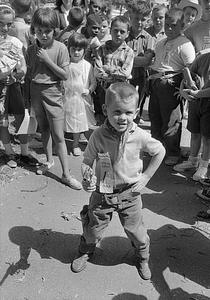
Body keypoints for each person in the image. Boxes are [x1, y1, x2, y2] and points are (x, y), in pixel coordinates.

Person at [70, 82, 166, 280]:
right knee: (93, 231)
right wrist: (87, 176)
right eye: (117, 112)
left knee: (137, 233)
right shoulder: (97, 135)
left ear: (136, 112)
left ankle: (142, 257)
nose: (123, 118)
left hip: (130, 193)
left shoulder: (139, 135)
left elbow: (160, 151)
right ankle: (85, 250)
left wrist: (146, 177)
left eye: (128, 112)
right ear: (105, 110)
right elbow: (87, 160)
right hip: (102, 193)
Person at [25, 8, 82, 190]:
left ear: (55, 30)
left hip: (53, 93)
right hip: (35, 92)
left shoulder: (61, 48)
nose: (43, 35)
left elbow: (65, 75)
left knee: (58, 135)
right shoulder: (32, 49)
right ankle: (49, 161)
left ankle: (66, 174)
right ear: (34, 29)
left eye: (47, 31)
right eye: (39, 30)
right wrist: (28, 100)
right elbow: (29, 75)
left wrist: (47, 61)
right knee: (44, 129)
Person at [148, 8, 195, 166]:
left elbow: (191, 69)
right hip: (155, 84)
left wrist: (183, 87)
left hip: (171, 85)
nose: (168, 28)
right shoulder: (161, 42)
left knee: (171, 121)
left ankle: (172, 153)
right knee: (155, 118)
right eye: (166, 24)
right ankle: (157, 150)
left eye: (173, 25)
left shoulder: (185, 44)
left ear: (182, 25)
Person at [0, 4, 39, 168]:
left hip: (15, 88)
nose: (5, 27)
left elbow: (23, 67)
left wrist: (15, 77)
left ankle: (24, 152)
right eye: (1, 23)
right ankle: (9, 152)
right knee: (2, 121)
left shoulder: (15, 42)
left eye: (9, 24)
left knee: (22, 118)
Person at [173, 50, 210, 181]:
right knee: (195, 132)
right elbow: (188, 74)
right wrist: (183, 90)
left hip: (207, 102)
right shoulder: (202, 58)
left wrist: (197, 94)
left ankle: (204, 165)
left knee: (207, 137)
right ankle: (193, 160)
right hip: (195, 102)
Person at [94, 15, 134, 125]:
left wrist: (107, 69)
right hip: (103, 90)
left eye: (122, 31)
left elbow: (125, 73)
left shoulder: (128, 52)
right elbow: (97, 72)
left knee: (118, 119)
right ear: (110, 31)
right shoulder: (101, 49)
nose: (118, 34)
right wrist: (115, 72)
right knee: (103, 119)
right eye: (115, 30)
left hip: (120, 93)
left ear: (127, 34)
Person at [64, 33, 96, 156]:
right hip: (67, 98)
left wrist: (88, 90)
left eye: (79, 50)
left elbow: (93, 83)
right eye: (73, 49)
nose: (76, 53)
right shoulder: (65, 64)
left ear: (84, 50)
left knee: (78, 122)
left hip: (81, 100)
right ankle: (60, 143)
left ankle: (75, 144)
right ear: (69, 49)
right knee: (64, 120)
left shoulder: (87, 66)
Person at [126, 1, 154, 124]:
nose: (139, 22)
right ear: (130, 17)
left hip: (140, 77)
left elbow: (147, 61)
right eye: (136, 18)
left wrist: (126, 59)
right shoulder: (123, 34)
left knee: (137, 105)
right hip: (123, 77)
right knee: (123, 104)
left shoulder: (149, 38)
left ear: (147, 20)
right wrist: (139, 60)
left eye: (143, 19)